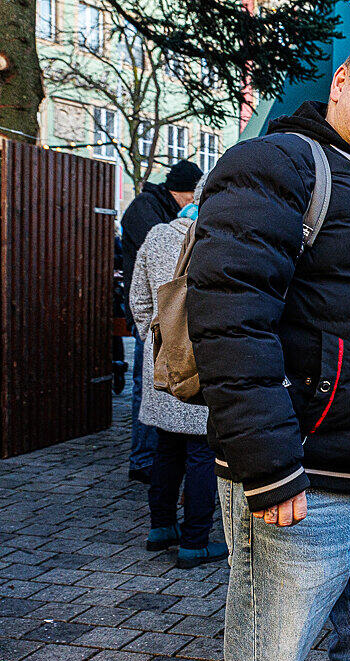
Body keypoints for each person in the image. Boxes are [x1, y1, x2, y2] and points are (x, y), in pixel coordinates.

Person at [186, 34, 350, 661]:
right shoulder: (277, 165)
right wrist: (271, 468)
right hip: (304, 482)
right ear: (341, 85)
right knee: (275, 655)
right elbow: (230, 323)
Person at [129, 176, 227, 569]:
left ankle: (160, 528)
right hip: (201, 364)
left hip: (163, 366)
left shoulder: (156, 236)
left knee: (167, 448)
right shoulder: (219, 238)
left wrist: (158, 343)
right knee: (202, 453)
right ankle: (195, 542)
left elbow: (137, 299)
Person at [121, 159, 202, 484]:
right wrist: (150, 333)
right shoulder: (150, 215)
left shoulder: (161, 212)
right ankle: (142, 460)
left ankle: (153, 467)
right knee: (148, 393)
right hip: (159, 328)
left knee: (165, 416)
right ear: (181, 193)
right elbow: (154, 282)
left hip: (164, 327)